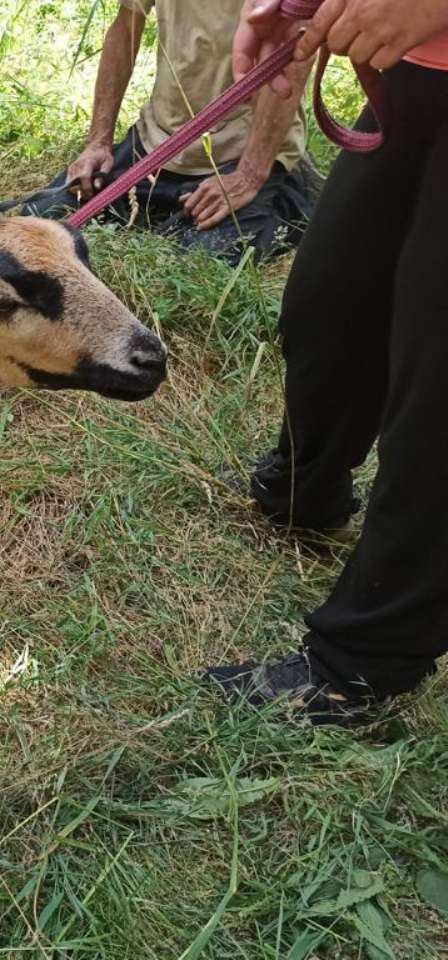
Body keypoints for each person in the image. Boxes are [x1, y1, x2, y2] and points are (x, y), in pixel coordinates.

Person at [206, 0, 448, 724]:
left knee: (435, 379)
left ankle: (365, 665)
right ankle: (308, 486)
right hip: (416, 74)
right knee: (328, 304)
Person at [22, 0, 316, 263]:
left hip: (238, 154)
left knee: (194, 263)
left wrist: (249, 175)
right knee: (40, 218)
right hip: (158, 140)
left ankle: (289, 198)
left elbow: (293, 59)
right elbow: (125, 29)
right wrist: (98, 142)